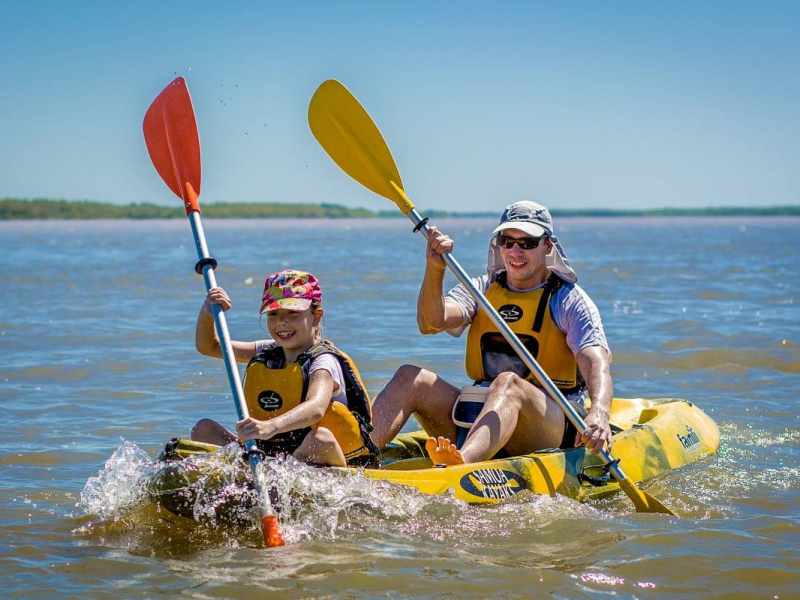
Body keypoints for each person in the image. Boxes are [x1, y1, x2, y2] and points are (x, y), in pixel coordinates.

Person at [370, 201, 613, 466]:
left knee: (507, 382)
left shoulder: (568, 300)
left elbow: (596, 361)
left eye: (527, 243)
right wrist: (435, 269)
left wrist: (599, 411)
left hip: (551, 426)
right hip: (479, 414)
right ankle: (358, 454)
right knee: (410, 376)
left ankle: (462, 463)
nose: (515, 251)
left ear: (547, 246)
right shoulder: (481, 289)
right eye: (507, 241)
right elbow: (431, 323)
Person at [191, 269, 378, 467]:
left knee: (321, 440)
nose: (282, 322)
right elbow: (209, 346)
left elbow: (316, 408)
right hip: (274, 453)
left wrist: (270, 426)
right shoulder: (266, 350)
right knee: (203, 429)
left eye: (293, 313)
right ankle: (254, 471)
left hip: (329, 457)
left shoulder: (323, 362)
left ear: (316, 316)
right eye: (274, 314)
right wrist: (207, 311)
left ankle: (270, 479)